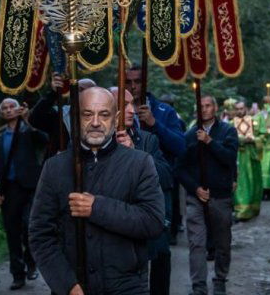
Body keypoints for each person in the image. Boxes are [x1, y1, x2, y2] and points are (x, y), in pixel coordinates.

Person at [29, 87, 165, 295]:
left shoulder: (139, 163)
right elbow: (40, 235)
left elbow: (153, 222)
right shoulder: (54, 167)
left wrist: (97, 207)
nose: (95, 122)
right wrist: (67, 285)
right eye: (87, 114)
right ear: (75, 116)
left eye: (104, 114)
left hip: (127, 287)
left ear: (115, 118)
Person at [111, 87, 173, 295]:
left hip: (146, 228)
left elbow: (166, 177)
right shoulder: (93, 145)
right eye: (124, 105)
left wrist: (136, 154)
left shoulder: (147, 140)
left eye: (132, 104)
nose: (132, 110)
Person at [175, 95, 238, 295]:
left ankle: (220, 279)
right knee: (196, 243)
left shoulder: (228, 131)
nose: (204, 109)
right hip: (196, 198)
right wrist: (195, 188)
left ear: (216, 108)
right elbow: (180, 168)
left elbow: (229, 159)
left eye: (208, 105)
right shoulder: (189, 135)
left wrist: (210, 142)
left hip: (220, 196)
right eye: (200, 106)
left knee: (222, 242)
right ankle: (198, 286)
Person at [124, 64, 186, 244]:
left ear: (145, 83)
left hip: (159, 185)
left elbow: (180, 147)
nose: (133, 86)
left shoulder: (164, 112)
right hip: (125, 186)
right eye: (128, 82)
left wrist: (154, 124)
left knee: (159, 247)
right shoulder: (114, 111)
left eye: (137, 82)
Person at [0, 98, 48, 290]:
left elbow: (45, 140)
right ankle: (18, 274)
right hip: (10, 190)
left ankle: (32, 263)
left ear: (19, 109)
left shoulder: (28, 133)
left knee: (28, 226)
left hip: (31, 187)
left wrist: (28, 121)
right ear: (1, 114)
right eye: (4, 108)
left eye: (11, 107)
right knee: (12, 233)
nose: (8, 110)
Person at [28, 74, 96, 157]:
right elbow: (34, 119)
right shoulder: (60, 114)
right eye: (75, 89)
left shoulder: (100, 118)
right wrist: (53, 93)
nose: (76, 92)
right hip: (58, 166)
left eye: (81, 90)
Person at [232, 100, 262, 220]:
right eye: (237, 109)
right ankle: (241, 210)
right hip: (237, 156)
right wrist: (240, 140)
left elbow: (263, 136)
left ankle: (252, 208)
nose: (240, 111)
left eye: (242, 108)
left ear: (247, 108)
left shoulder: (255, 122)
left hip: (251, 156)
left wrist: (254, 139)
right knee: (240, 182)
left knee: (253, 181)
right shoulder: (231, 123)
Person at [255, 96, 270, 200]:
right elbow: (255, 128)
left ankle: (269, 191)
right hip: (260, 146)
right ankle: (261, 191)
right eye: (265, 103)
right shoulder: (258, 116)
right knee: (260, 169)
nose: (267, 105)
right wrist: (263, 130)